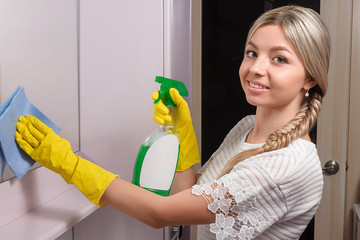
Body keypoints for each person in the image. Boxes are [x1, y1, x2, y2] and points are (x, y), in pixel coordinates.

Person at [15, 5, 330, 240]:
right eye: (251, 53)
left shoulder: (283, 167)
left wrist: (69, 164)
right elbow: (185, 198)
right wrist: (183, 137)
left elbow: (159, 214)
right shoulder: (247, 125)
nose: (256, 68)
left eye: (279, 59)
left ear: (311, 77)